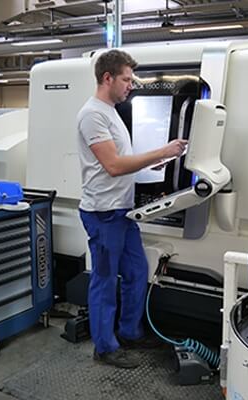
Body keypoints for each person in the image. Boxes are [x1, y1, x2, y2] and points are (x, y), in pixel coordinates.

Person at [77, 49, 187, 369]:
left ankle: (129, 332)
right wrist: (160, 152)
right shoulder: (93, 115)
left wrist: (158, 163)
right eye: (126, 79)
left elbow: (121, 163)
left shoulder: (111, 111)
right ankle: (105, 347)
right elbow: (112, 165)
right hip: (103, 214)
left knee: (137, 273)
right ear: (107, 78)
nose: (131, 85)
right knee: (105, 279)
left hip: (122, 213)